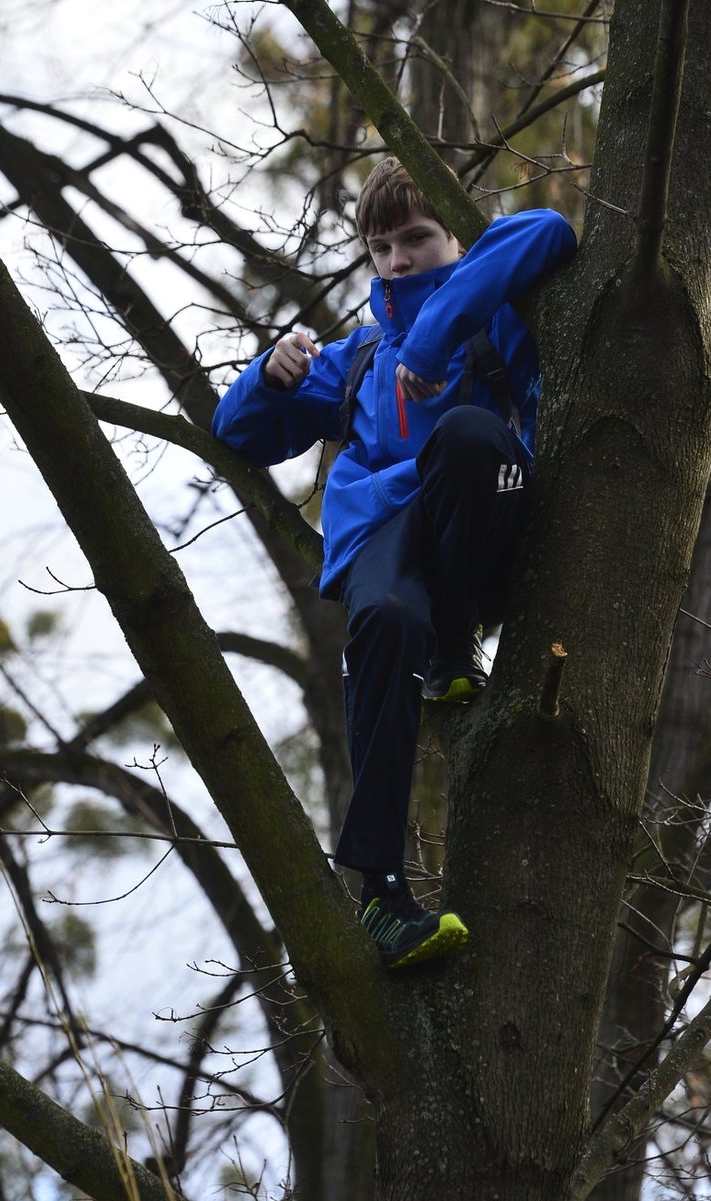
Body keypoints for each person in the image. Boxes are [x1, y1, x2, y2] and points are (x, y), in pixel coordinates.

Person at [213, 157, 577, 969]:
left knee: (472, 436)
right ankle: (379, 889)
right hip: (388, 541)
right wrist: (267, 376)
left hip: (484, 536)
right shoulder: (359, 354)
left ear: (453, 235)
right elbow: (237, 433)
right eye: (383, 247)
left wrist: (443, 328)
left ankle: (456, 647)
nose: (400, 259)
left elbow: (551, 230)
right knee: (379, 619)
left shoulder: (496, 315)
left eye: (417, 237)